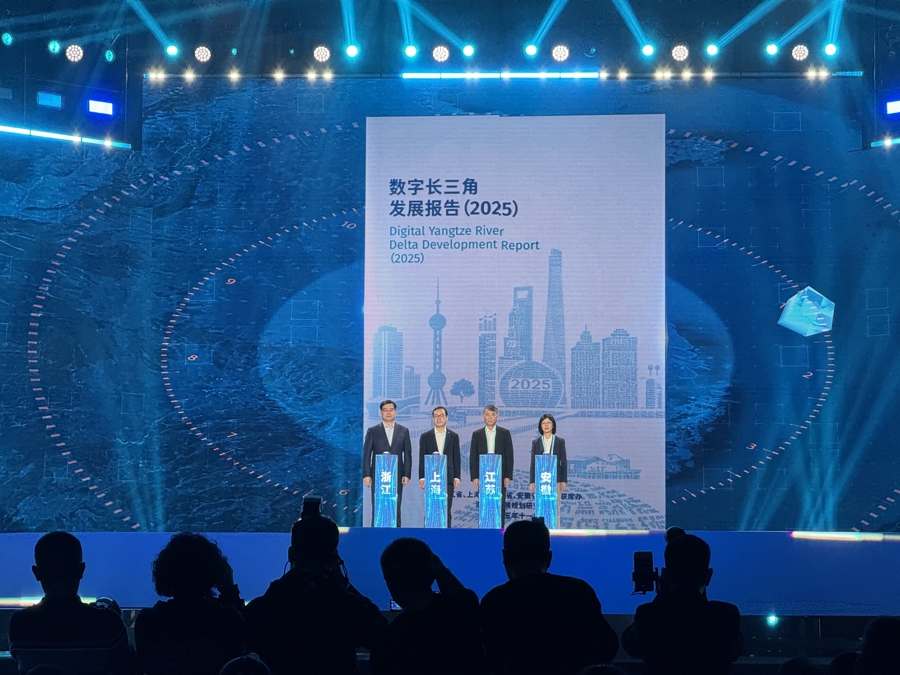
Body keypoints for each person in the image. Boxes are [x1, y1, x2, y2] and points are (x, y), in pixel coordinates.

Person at [243, 508, 387, 675]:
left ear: (291, 554)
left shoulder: (266, 606)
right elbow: (382, 635)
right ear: (334, 559)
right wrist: (342, 582)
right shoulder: (347, 605)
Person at [480, 518, 618, 675]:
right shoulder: (578, 591)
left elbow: (491, 661)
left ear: (505, 557)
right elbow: (607, 649)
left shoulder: (494, 602)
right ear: (549, 558)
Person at [7, 531, 136, 675]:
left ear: (36, 573)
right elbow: (127, 667)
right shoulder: (108, 623)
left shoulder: (19, 624)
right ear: (81, 570)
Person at [621, 531, 743, 675]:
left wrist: (662, 595)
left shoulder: (647, 615)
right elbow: (733, 651)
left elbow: (632, 647)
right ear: (708, 576)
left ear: (665, 576)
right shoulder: (726, 615)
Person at [134, 533, 245, 675]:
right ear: (217, 573)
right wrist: (229, 590)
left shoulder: (148, 621)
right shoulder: (229, 620)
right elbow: (241, 659)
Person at [370, 538, 485, 675]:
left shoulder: (388, 640)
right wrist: (437, 566)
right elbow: (459, 596)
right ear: (431, 574)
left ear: (389, 581)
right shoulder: (464, 607)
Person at [363, 399, 413, 526]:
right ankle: (376, 532)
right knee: (378, 506)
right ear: (381, 413)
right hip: (378, 475)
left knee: (395, 505)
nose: (388, 413)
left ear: (395, 412)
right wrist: (367, 475)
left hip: (397, 474)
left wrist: (406, 474)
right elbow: (367, 454)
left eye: (391, 410)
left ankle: (396, 533)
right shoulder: (373, 431)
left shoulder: (403, 431)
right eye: (385, 410)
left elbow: (407, 454)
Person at [469, 404, 515, 526]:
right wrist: (475, 476)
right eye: (487, 415)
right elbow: (473, 457)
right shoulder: (477, 434)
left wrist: (508, 476)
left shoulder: (505, 433)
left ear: (497, 417)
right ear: (483, 417)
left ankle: (499, 530)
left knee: (499, 503)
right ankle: (484, 529)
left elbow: (509, 456)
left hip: (500, 476)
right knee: (484, 504)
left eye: (493, 415)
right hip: (483, 476)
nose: (490, 417)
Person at [418, 406, 461, 526]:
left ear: (447, 418)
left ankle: (446, 533)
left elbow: (456, 458)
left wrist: (457, 477)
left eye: (441, 415)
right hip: (431, 478)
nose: (439, 418)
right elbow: (422, 458)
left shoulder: (454, 436)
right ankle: (429, 533)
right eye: (436, 416)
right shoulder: (425, 436)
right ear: (432, 418)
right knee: (431, 509)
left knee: (446, 509)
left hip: (448, 477)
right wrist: (422, 477)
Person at [528, 413, 568, 496]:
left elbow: (563, 462)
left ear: (553, 425)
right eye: (543, 423)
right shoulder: (536, 443)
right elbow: (533, 463)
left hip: (556, 479)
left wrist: (563, 480)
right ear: (540, 426)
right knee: (541, 502)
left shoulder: (560, 442)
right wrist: (532, 481)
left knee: (555, 502)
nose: (546, 425)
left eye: (548, 423)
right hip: (541, 479)